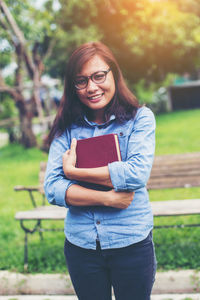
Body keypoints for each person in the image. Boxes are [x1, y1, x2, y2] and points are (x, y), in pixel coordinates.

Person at [44, 41, 156, 300]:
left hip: (131, 242)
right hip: (81, 245)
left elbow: (136, 174)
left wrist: (74, 172)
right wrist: (108, 197)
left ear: (114, 74)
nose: (91, 87)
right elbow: (52, 187)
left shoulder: (140, 118)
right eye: (81, 81)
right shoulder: (66, 128)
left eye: (99, 76)